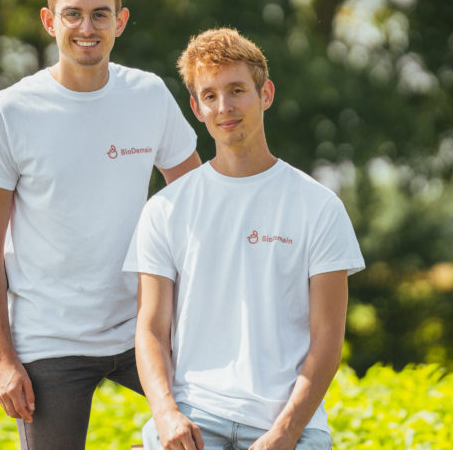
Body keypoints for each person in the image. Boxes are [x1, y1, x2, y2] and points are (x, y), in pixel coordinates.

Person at [0, 0, 201, 449]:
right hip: (49, 340)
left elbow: (197, 208)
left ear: (121, 22)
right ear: (50, 21)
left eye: (100, 14)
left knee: (215, 430)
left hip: (144, 329)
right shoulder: (8, 113)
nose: (86, 27)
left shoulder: (149, 96)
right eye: (73, 13)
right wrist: (4, 360)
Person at [124, 28, 365, 450]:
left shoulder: (319, 207)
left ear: (265, 93)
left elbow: (328, 339)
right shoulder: (165, 210)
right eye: (210, 95)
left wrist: (285, 433)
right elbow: (150, 330)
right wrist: (165, 415)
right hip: (193, 417)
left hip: (292, 425)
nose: (225, 107)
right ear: (196, 107)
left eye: (237, 90)